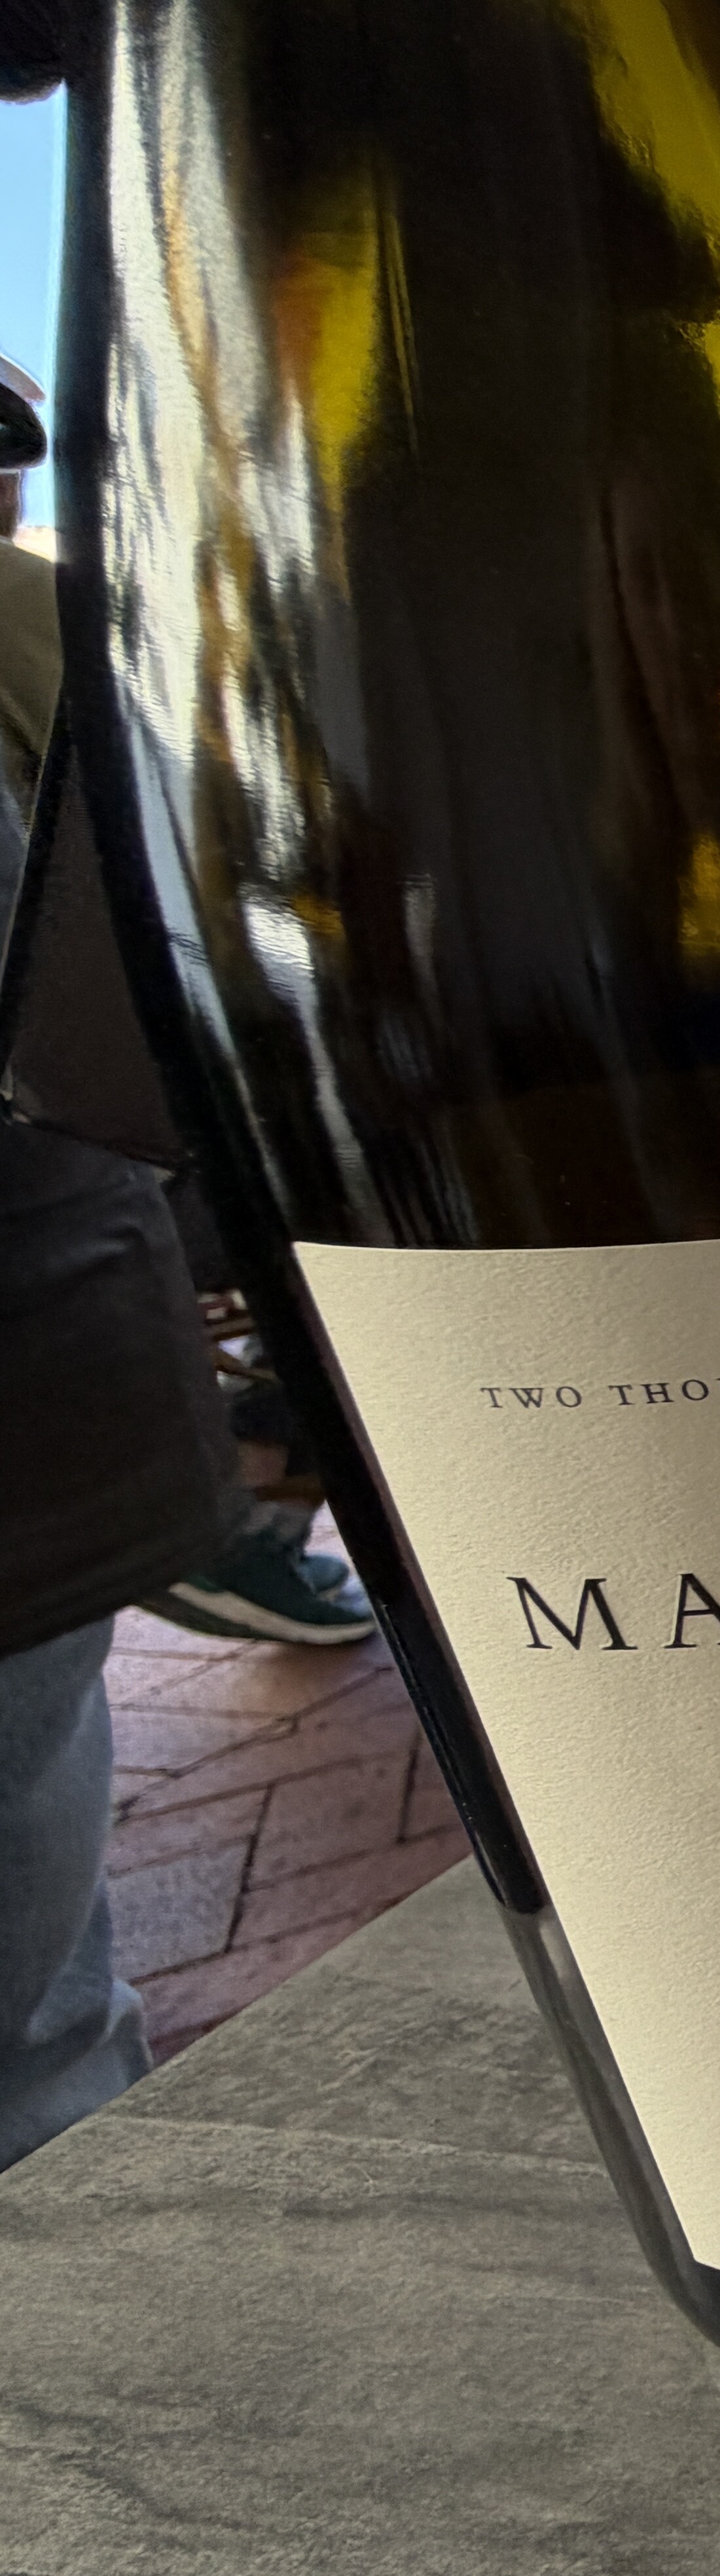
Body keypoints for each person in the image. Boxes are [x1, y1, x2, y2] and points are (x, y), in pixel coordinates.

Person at [0, 317, 242, 2164]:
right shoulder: (45, 623)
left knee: (38, 2013)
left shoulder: (40, 628)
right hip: (50, 1348)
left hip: (35, 1371)